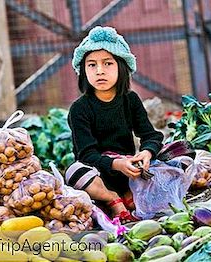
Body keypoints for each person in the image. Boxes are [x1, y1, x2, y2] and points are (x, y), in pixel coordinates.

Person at [66, 26, 164, 223]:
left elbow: (151, 136)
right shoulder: (79, 109)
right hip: (98, 174)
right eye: (91, 65)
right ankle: (112, 199)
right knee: (74, 171)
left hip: (129, 170)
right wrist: (116, 164)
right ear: (83, 71)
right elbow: (87, 155)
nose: (99, 71)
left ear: (121, 67)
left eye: (108, 63)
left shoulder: (130, 99)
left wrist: (146, 153)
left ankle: (129, 192)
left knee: (178, 156)